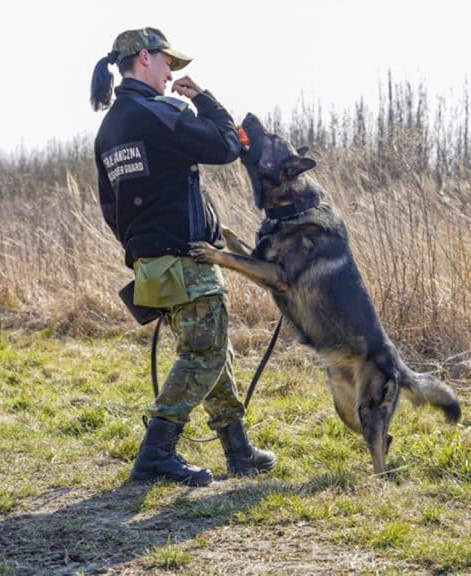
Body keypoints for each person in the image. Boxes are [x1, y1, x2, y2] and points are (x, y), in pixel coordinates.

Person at [90, 27, 275, 486]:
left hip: (153, 264)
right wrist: (207, 100)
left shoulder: (111, 126)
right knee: (204, 354)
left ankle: (238, 450)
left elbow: (110, 207)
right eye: (168, 62)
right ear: (146, 58)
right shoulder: (158, 114)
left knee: (211, 350)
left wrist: (142, 249)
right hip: (186, 258)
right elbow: (227, 146)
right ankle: (156, 452)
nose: (172, 72)